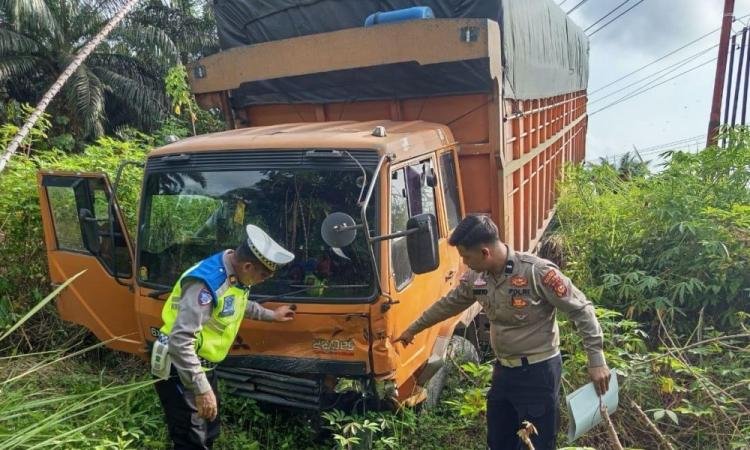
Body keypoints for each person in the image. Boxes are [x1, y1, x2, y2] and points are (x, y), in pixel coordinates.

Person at [394, 214, 610, 450]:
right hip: (504, 372)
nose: (465, 263)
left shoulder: (536, 272)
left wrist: (596, 360)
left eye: (466, 257)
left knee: (537, 443)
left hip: (538, 373)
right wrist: (413, 329)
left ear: (485, 253)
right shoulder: (477, 277)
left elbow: (582, 310)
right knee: (499, 441)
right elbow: (449, 303)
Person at [151, 224, 296, 449]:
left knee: (209, 427)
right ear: (248, 266)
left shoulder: (234, 271)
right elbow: (180, 342)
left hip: (203, 365)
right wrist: (201, 388)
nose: (264, 280)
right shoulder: (206, 285)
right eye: (264, 275)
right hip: (179, 365)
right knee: (191, 438)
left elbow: (235, 303)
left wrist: (271, 315)